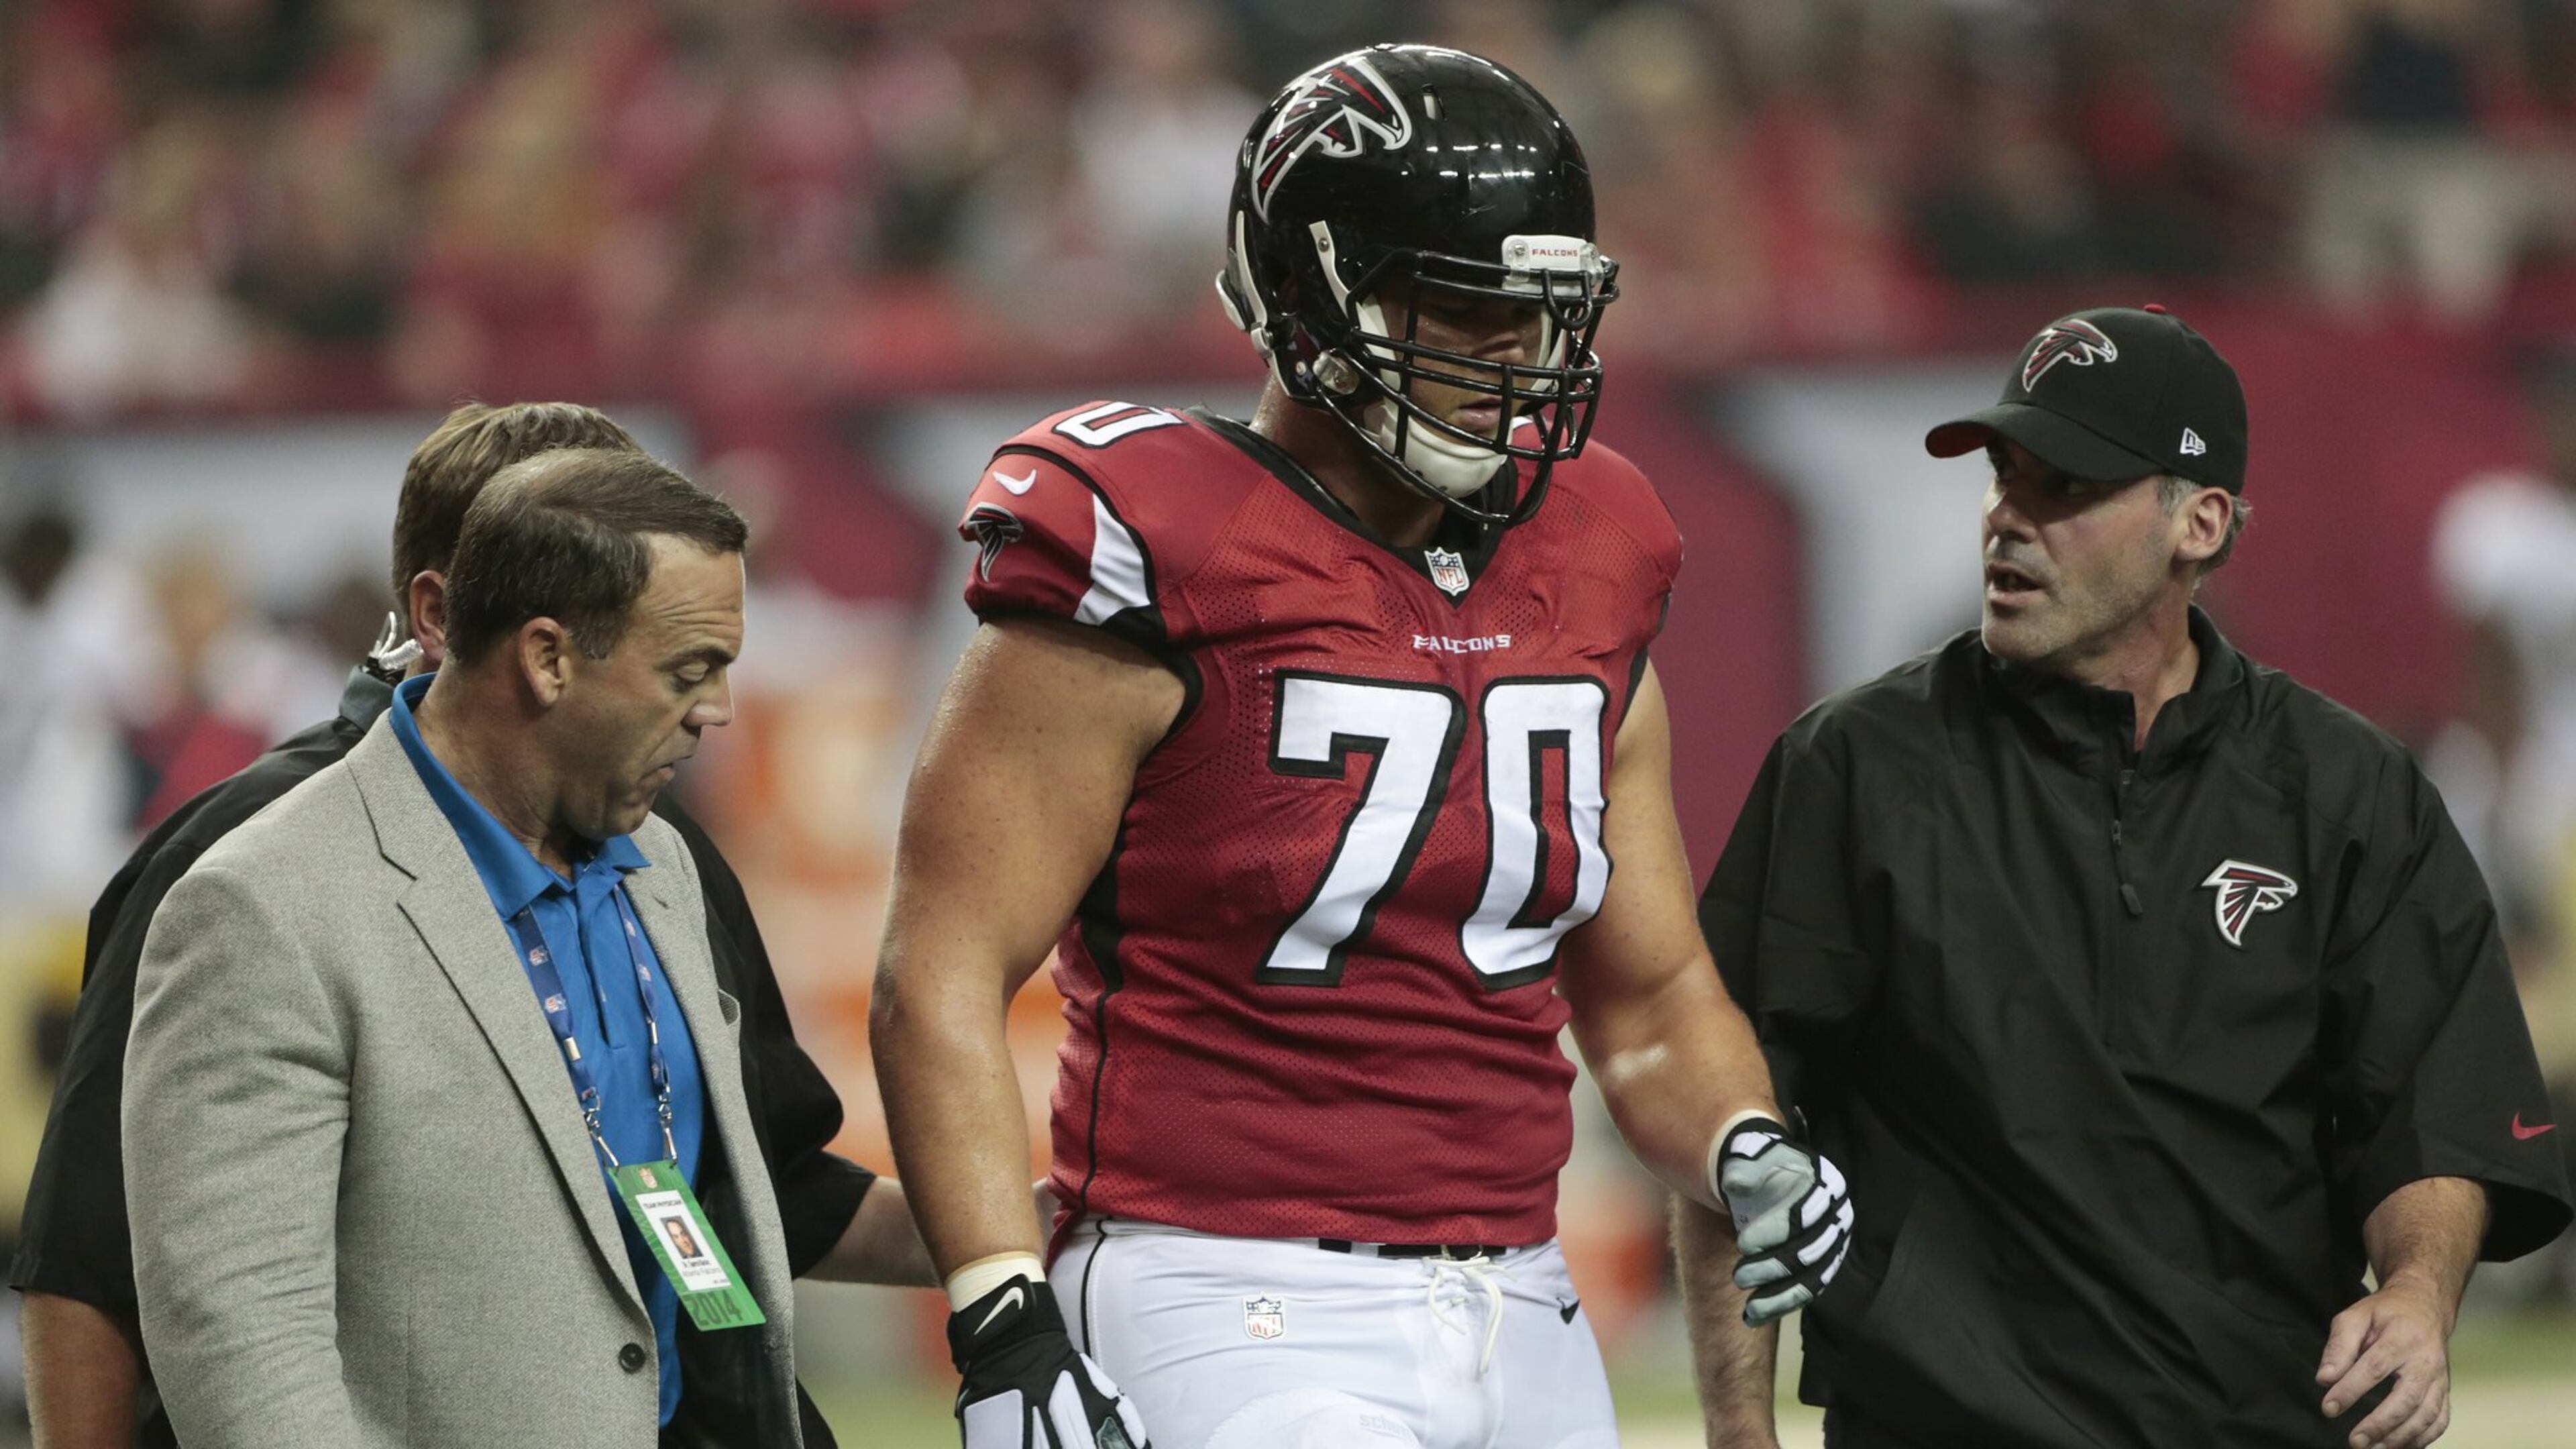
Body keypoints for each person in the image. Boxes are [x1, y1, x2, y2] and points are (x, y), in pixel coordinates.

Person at [871, 44, 1849, 1449]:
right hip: (1222, 1291)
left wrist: (1741, 1140)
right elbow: (943, 967)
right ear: (1314, 292)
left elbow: (1645, 994)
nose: (1517, 358)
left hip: (1527, 1303)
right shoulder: (1155, 539)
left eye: (1541, 315)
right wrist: (998, 1314)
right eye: (1465, 309)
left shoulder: (1598, 540)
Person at [1680, 306, 2576, 1449]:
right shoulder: (1854, 769)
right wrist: (1737, 1431)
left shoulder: (2350, 792)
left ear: (2198, 522)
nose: (2009, 519)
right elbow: (1729, 1120)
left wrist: (2416, 1295)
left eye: (2066, 486)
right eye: (2006, 477)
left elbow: (2434, 1117)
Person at [15, 402, 935, 1449]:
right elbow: (96, 1262)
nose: (714, 708)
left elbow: (747, 1178)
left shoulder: (656, 849)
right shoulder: (246, 877)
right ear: (463, 612)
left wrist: (1010, 1232)